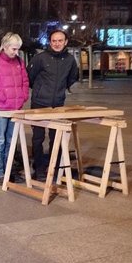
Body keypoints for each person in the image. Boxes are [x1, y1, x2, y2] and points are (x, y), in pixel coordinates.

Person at [27, 29, 79, 179]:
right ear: (50, 42)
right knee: (38, 137)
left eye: (60, 40)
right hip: (39, 103)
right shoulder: (40, 58)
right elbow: (30, 77)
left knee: (55, 136)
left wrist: (61, 90)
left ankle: (54, 165)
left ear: (65, 42)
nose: (57, 43)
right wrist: (39, 90)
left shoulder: (69, 60)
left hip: (58, 104)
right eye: (54, 40)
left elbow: (72, 77)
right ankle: (38, 167)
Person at [0, 32, 30, 184]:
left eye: (18, 49)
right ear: (5, 46)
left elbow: (25, 82)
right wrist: (3, 96)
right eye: (14, 49)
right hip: (0, 108)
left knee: (11, 140)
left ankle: (8, 170)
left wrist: (23, 96)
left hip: (15, 108)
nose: (16, 52)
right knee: (0, 140)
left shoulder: (19, 62)